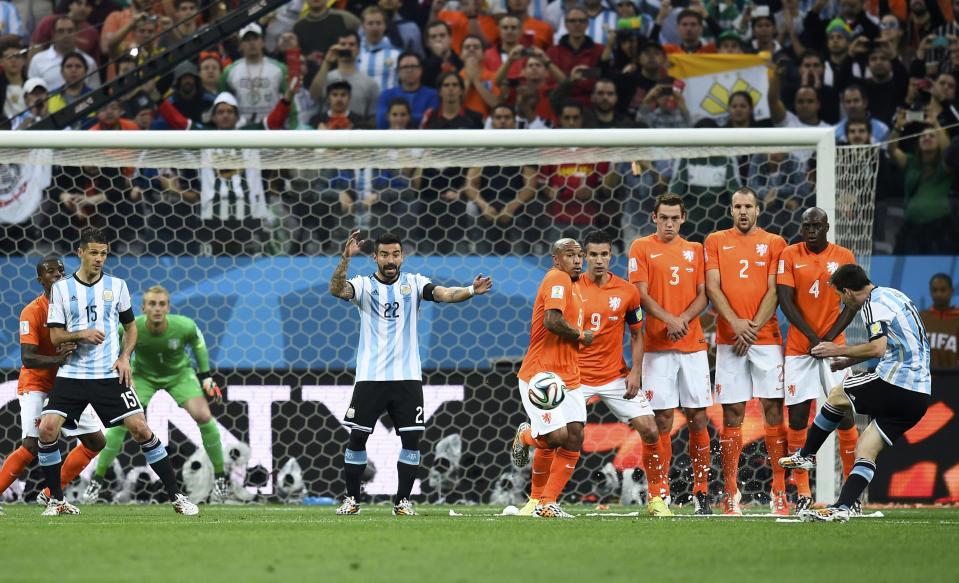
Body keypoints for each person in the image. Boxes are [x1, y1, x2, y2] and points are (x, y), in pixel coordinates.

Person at [328, 231, 492, 516]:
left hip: (407, 378)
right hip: (370, 378)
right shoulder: (364, 286)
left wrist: (469, 290)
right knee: (357, 439)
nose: (390, 260)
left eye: (395, 254)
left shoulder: (415, 283)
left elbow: (443, 294)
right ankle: (352, 499)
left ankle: (402, 502)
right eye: (384, 254)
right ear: (375, 257)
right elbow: (336, 289)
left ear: (402, 256)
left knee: (412, 440)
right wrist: (345, 259)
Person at [37, 227, 198, 516]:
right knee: (47, 429)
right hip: (72, 375)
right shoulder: (61, 289)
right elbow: (56, 337)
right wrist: (82, 334)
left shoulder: (118, 286)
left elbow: (130, 327)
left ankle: (177, 497)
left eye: (104, 254)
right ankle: (56, 501)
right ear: (81, 253)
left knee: (140, 429)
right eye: (94, 253)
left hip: (109, 376)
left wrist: (125, 357)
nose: (99, 259)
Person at [781, 264, 931, 522]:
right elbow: (893, 344)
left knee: (838, 394)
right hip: (919, 396)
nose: (841, 301)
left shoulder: (873, 304)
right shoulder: (893, 295)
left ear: (848, 292)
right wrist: (847, 362)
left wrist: (833, 351)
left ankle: (806, 455)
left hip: (897, 382)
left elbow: (877, 349)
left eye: (839, 296)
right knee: (866, 449)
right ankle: (842, 507)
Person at [556, 229, 670, 516]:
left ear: (611, 255)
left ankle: (656, 499)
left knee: (650, 428)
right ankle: (544, 499)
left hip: (615, 376)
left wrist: (635, 372)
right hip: (575, 376)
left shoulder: (627, 291)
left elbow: (637, 334)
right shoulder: (569, 287)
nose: (598, 260)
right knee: (566, 436)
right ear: (584, 256)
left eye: (603, 254)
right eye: (592, 254)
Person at [85, 285, 227, 504]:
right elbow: (111, 343)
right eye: (152, 304)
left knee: (204, 416)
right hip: (143, 377)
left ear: (168, 307)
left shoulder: (184, 326)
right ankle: (97, 480)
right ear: (143, 307)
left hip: (179, 375)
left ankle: (220, 477)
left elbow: (198, 345)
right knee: (123, 423)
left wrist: (206, 376)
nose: (157, 308)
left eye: (162, 304)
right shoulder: (133, 327)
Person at [704, 187, 790, 516]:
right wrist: (736, 325)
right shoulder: (715, 241)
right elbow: (712, 286)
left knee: (773, 413)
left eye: (748, 206)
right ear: (731, 210)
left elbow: (776, 290)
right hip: (729, 341)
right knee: (732, 415)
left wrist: (750, 327)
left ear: (758, 210)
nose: (743, 211)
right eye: (737, 206)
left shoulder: (774, 243)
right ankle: (730, 493)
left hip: (766, 339)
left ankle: (779, 491)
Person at [627, 193, 713, 514]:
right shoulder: (641, 247)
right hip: (657, 347)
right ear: (654, 218)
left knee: (698, 417)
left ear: (683, 218)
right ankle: (660, 493)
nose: (669, 223)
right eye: (663, 217)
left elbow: (704, 295)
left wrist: (683, 321)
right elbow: (640, 294)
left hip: (691, 347)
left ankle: (701, 492)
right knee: (662, 420)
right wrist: (669, 320)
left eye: (674, 218)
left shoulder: (696, 250)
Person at [0, 256, 105, 513]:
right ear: (41, 280)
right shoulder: (32, 311)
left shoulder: (73, 308)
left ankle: (50, 495)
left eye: (60, 270)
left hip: (66, 384)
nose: (57, 274)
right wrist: (58, 358)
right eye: (50, 272)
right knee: (32, 444)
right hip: (36, 383)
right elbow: (27, 357)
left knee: (96, 441)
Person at [776, 207, 859, 514]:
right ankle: (802, 492)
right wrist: (812, 339)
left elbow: (852, 303)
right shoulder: (789, 254)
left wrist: (828, 339)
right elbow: (785, 300)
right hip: (800, 349)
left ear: (827, 227)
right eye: (806, 225)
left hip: (834, 349)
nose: (810, 230)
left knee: (845, 416)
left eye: (816, 225)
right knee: (797, 419)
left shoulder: (844, 255)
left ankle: (852, 494)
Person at [509, 237, 591, 518]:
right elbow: (552, 321)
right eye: (569, 255)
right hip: (541, 375)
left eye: (580, 255)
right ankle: (526, 435)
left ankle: (547, 503)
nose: (577, 260)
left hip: (569, 375)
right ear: (556, 259)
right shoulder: (558, 278)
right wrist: (582, 335)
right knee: (555, 436)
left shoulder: (576, 286)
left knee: (575, 436)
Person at [921, 273, 959, 368]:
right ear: (930, 292)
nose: (939, 294)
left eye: (943, 290)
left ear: (951, 291)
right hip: (924, 380)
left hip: (952, 379)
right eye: (935, 290)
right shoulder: (921, 318)